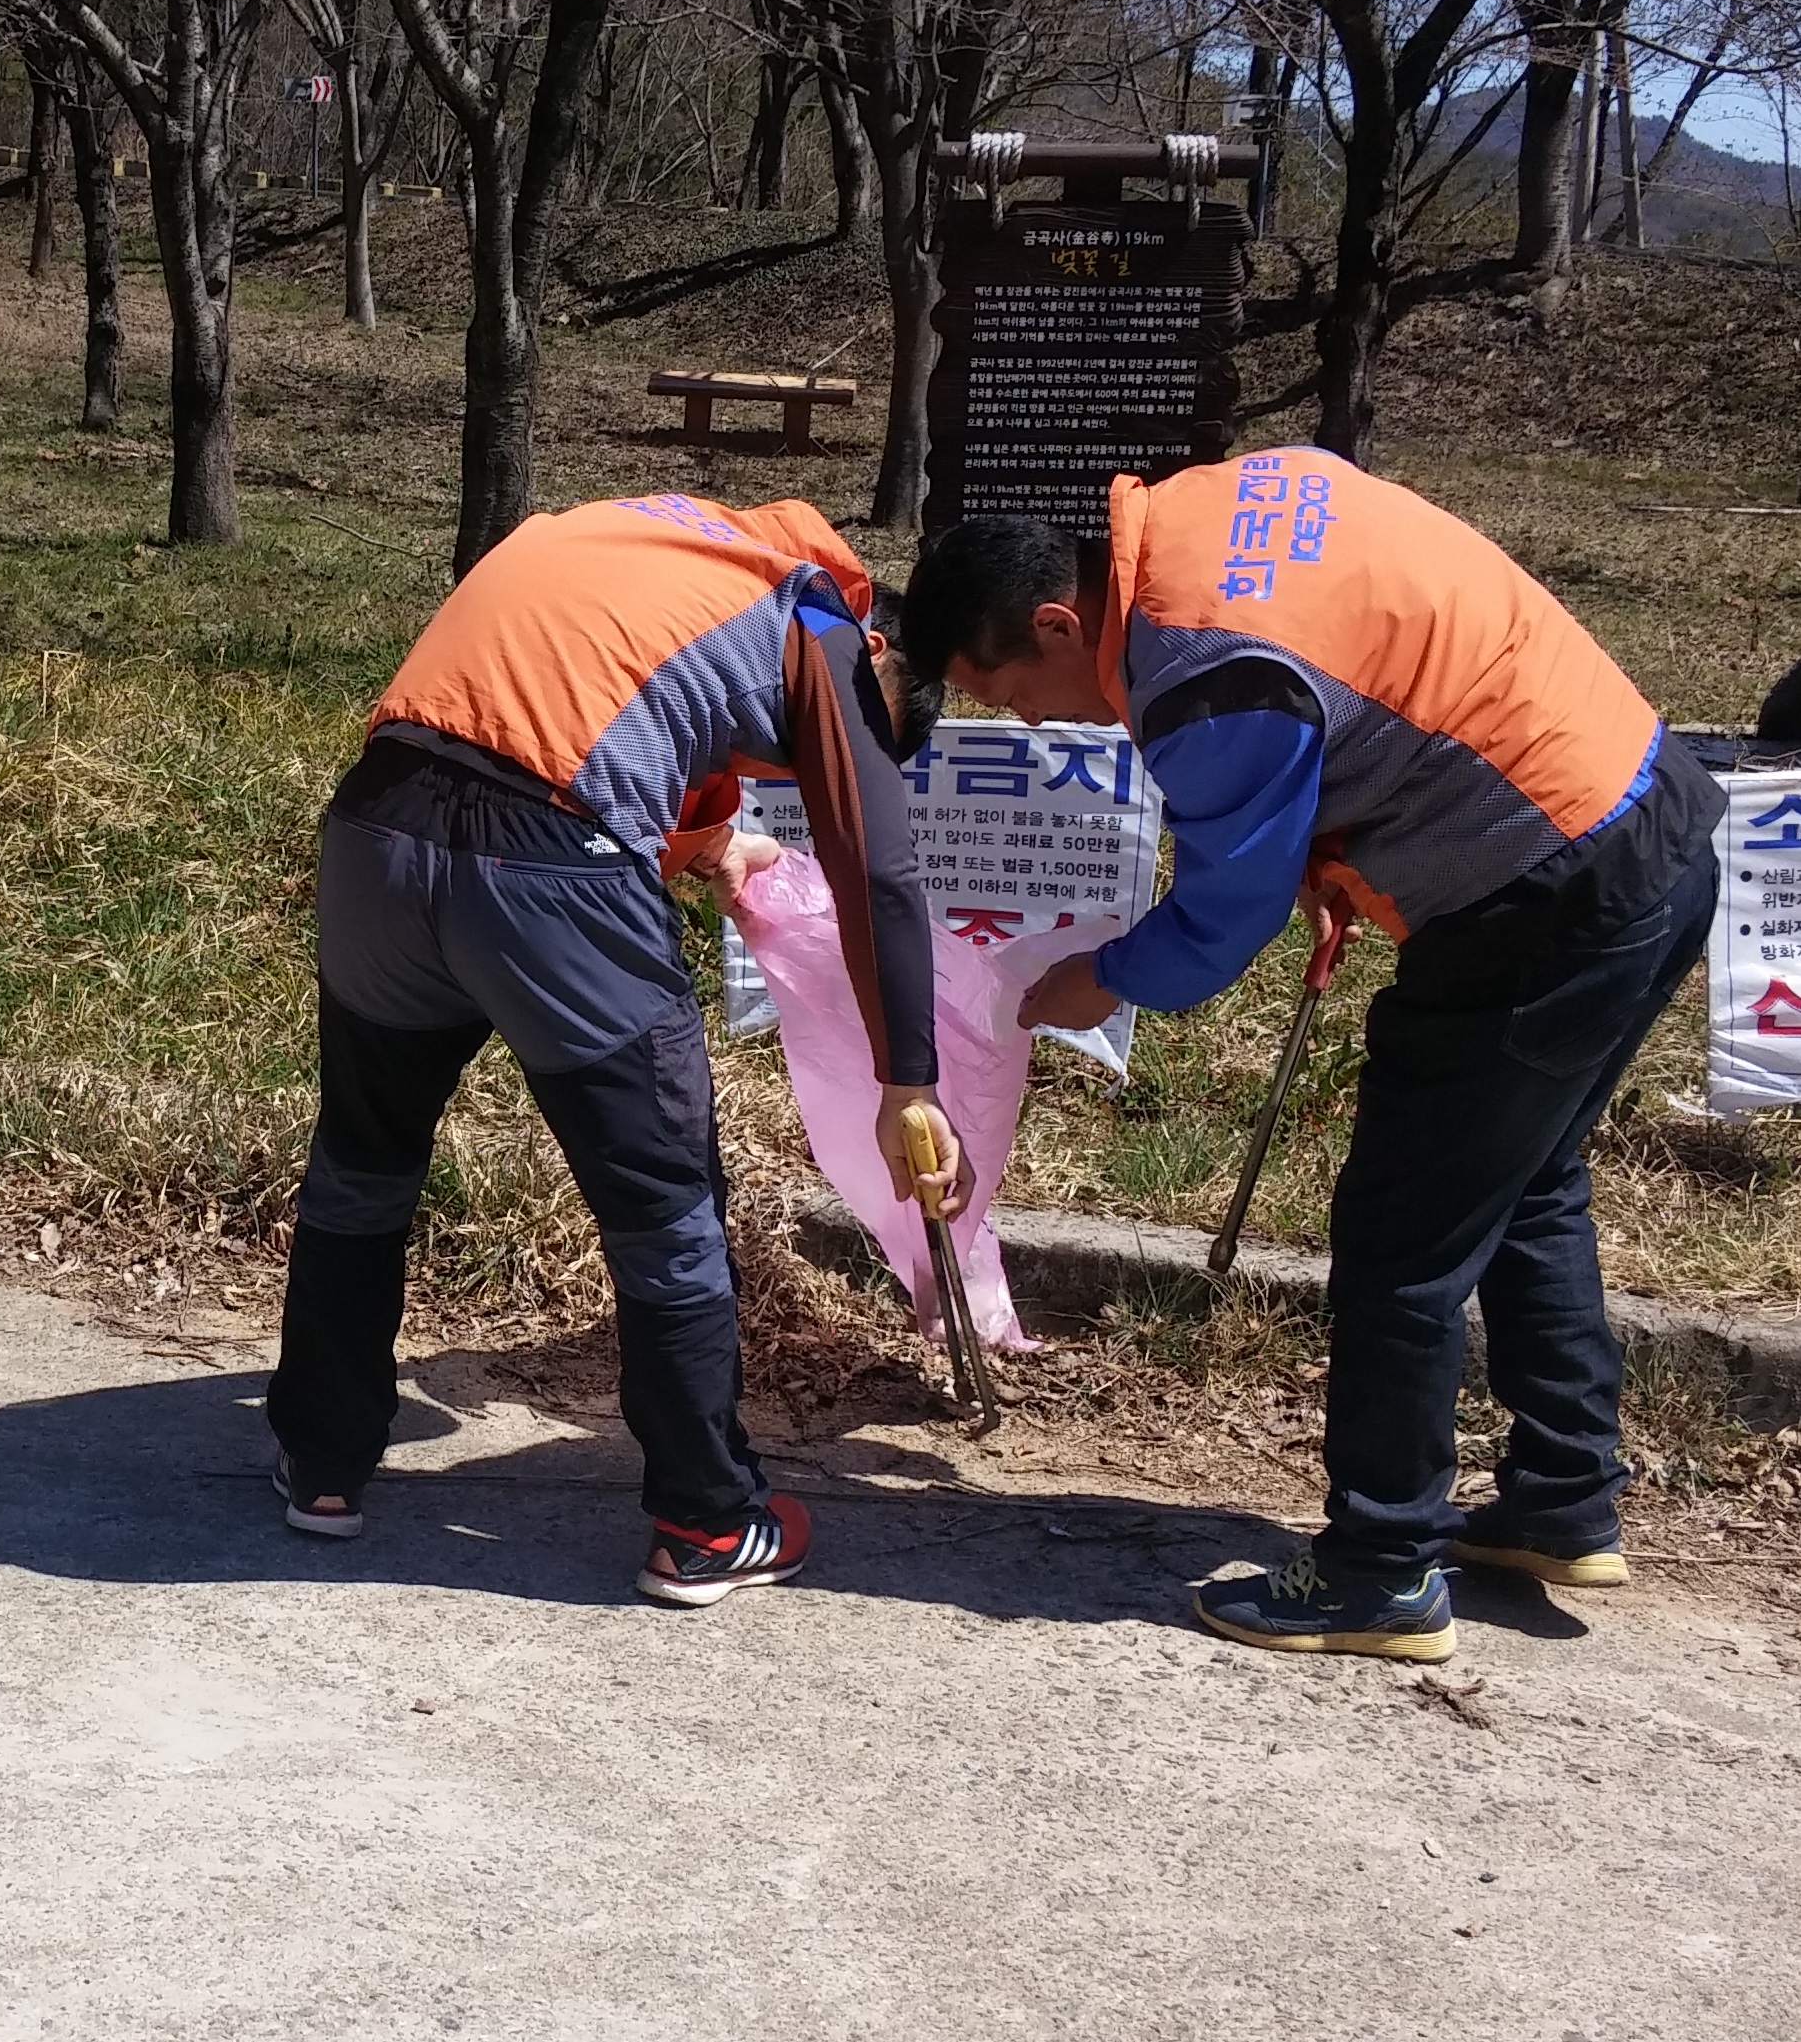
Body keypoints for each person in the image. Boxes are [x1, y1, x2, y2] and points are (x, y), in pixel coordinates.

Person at [902, 449, 1724, 1663]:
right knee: (1523, 1180)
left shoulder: (1197, 668)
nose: (1036, 722)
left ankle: (1377, 1566)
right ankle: (1561, 1496)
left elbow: (1218, 916)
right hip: (1642, 819)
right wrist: (1333, 843)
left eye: (1014, 692)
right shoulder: (1199, 519)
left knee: (1401, 1236)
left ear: (1057, 622)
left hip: (1540, 889)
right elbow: (1356, 684)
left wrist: (1100, 975)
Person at [269, 491, 967, 1606]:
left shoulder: (636, 541)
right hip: (547, 875)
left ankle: (319, 1460)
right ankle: (706, 1518)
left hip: (375, 832)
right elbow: (876, 868)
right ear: (875, 651)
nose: (794, 763)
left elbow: (566, 713)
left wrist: (715, 846)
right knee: (664, 1209)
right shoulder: (821, 619)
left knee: (361, 1160)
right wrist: (908, 1082)